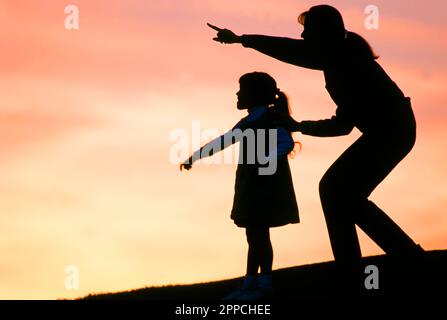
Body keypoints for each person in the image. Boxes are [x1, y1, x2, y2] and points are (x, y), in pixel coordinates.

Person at [208, 5, 424, 281]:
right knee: (341, 194)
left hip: (392, 131)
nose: (302, 35)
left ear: (324, 33)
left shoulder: (343, 57)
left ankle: (383, 261)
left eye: (307, 30)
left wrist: (243, 40)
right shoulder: (338, 60)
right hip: (390, 131)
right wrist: (299, 126)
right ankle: (383, 261)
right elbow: (343, 125)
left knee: (336, 191)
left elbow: (292, 51)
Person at [180, 72, 299, 299]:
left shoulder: (270, 118)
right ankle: (251, 283)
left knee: (259, 235)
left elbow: (285, 142)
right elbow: (224, 140)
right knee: (254, 235)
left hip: (264, 186)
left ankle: (263, 285)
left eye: (241, 90)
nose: (237, 93)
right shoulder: (249, 121)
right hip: (250, 185)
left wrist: (266, 160)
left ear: (254, 95)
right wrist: (195, 156)